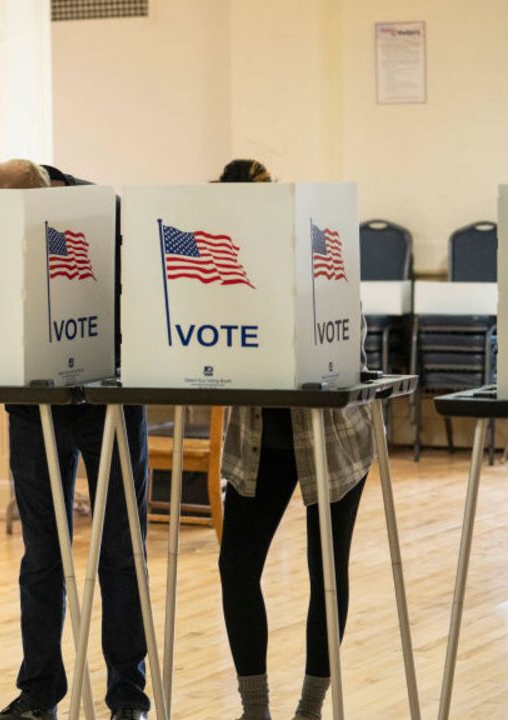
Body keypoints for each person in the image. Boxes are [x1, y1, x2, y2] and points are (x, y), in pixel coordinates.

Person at [0, 159, 151, 720]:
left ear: (45, 196)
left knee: (121, 552)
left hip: (106, 397)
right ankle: (38, 693)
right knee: (41, 552)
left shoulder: (101, 210)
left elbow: (139, 304)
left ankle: (129, 695)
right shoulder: (4, 212)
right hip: (34, 406)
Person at [213, 158, 372, 720]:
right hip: (258, 441)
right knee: (236, 566)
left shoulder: (315, 245)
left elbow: (351, 336)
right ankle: (254, 708)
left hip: (331, 441)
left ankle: (311, 706)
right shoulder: (221, 260)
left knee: (326, 573)